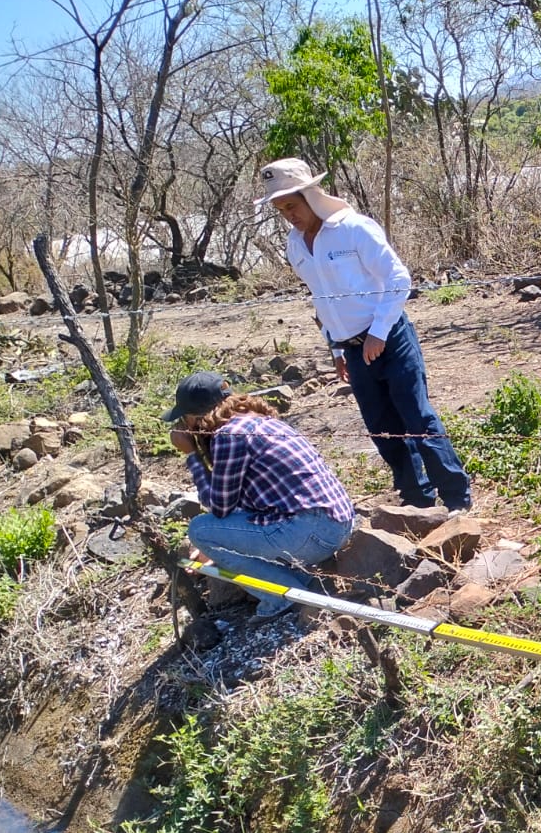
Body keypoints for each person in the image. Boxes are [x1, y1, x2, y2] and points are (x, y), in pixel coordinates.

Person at [255, 157, 472, 513]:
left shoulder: (354, 228)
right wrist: (336, 349)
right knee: (381, 427)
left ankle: (456, 498)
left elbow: (398, 279)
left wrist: (379, 332)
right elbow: (322, 298)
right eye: (281, 210)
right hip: (352, 350)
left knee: (417, 418)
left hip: (391, 339)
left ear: (310, 194)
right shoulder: (296, 245)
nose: (289, 216)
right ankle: (415, 500)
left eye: (292, 206)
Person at [167, 371, 356, 617]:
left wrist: (192, 455)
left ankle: (280, 596)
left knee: (200, 530)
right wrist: (220, 544)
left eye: (184, 419)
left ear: (196, 416)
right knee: (213, 532)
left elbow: (218, 507)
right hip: (337, 525)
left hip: (311, 533)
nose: (183, 426)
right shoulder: (258, 421)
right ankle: (295, 578)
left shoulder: (228, 435)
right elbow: (239, 503)